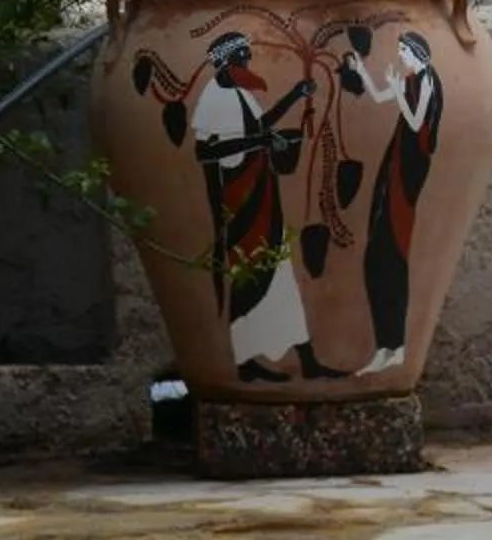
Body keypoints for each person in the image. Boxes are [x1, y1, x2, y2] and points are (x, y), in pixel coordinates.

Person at [189, 31, 338, 380]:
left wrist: (293, 98)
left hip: (261, 195)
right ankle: (247, 362)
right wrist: (260, 141)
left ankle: (304, 359)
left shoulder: (241, 94)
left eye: (247, 57)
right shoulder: (213, 98)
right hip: (240, 203)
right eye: (241, 59)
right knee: (249, 276)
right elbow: (205, 152)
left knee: (278, 276)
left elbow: (259, 127)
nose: (247, 64)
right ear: (226, 63)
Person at [340, 28, 442, 375]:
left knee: (391, 252)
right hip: (395, 164)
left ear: (417, 52)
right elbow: (382, 96)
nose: (399, 56)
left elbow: (416, 123)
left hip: (409, 172)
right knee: (377, 255)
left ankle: (395, 347)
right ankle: (386, 346)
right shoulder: (412, 80)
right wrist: (361, 71)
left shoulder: (428, 81)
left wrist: (399, 92)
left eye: (403, 50)